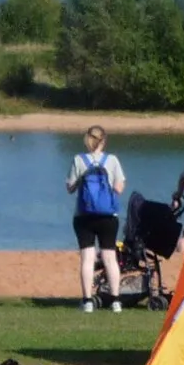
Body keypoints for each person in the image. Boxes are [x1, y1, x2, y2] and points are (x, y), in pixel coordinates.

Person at [66, 126, 126, 314]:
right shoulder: (112, 160)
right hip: (108, 216)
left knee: (87, 258)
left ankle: (88, 301)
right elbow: (119, 188)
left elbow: (70, 188)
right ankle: (116, 301)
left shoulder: (78, 160)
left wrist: (80, 181)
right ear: (104, 141)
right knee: (110, 257)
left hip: (84, 216)